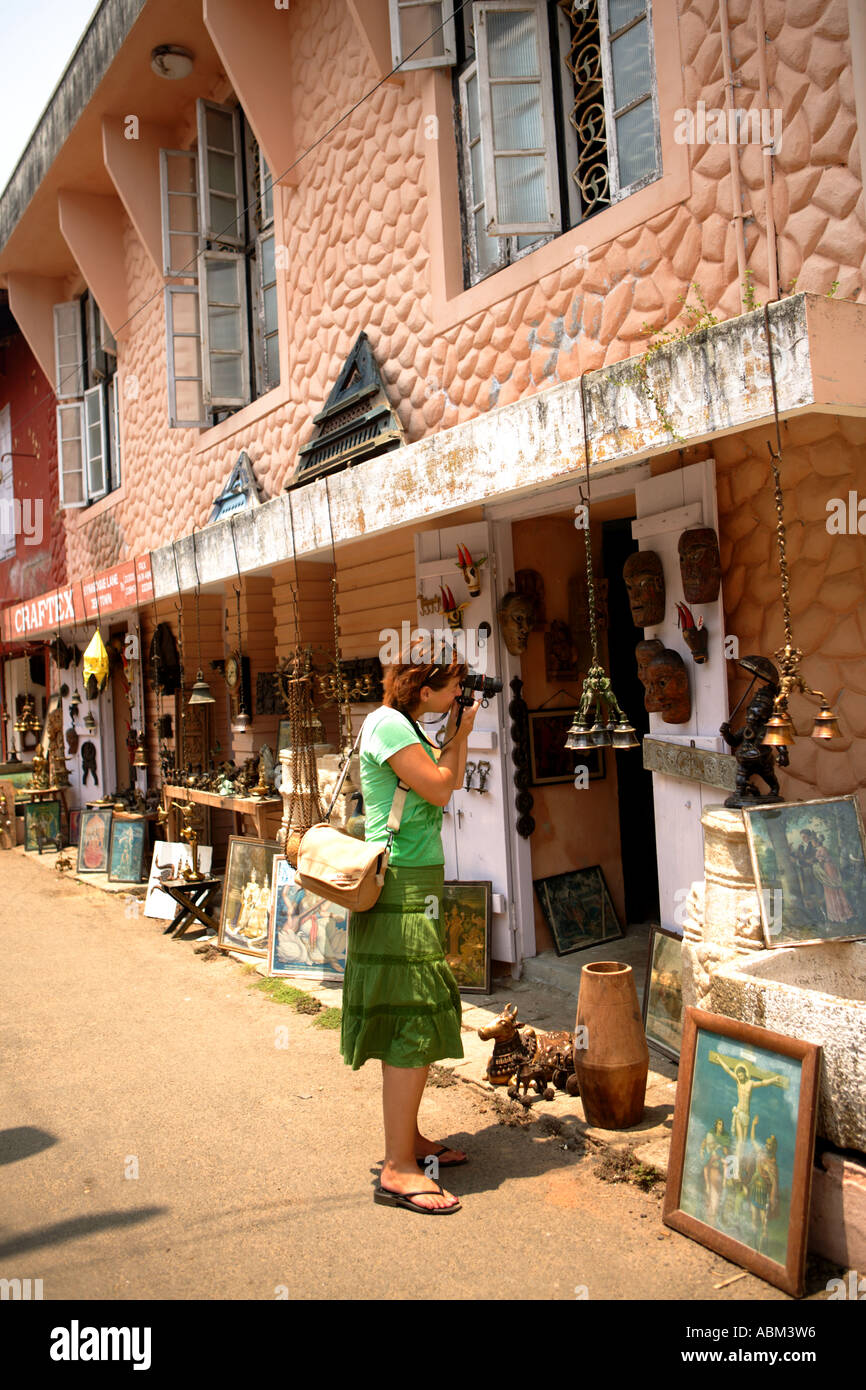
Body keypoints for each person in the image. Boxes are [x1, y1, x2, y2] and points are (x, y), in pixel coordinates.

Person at [340, 649, 480, 1214]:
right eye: (451, 689)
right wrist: (462, 733)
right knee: (411, 1009)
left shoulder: (408, 725)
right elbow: (443, 789)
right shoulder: (387, 724)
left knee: (413, 1006)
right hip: (396, 885)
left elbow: (440, 782)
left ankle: (410, 1141)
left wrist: (451, 730)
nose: (457, 699)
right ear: (424, 690)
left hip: (416, 880)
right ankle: (398, 1169)